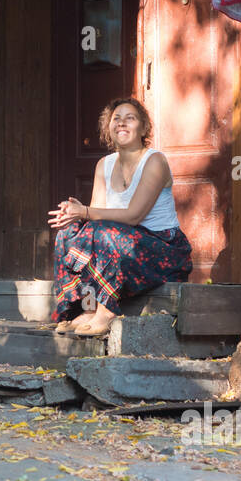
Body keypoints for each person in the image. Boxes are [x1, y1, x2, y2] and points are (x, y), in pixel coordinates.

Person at [48, 97, 192, 338]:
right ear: (109, 128)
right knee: (69, 234)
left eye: (130, 118)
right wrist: (74, 215)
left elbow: (134, 216)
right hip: (120, 244)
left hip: (163, 250)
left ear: (143, 128)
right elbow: (95, 219)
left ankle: (106, 311)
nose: (122, 123)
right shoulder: (103, 165)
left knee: (106, 234)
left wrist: (84, 211)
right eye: (116, 119)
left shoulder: (155, 161)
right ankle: (84, 308)